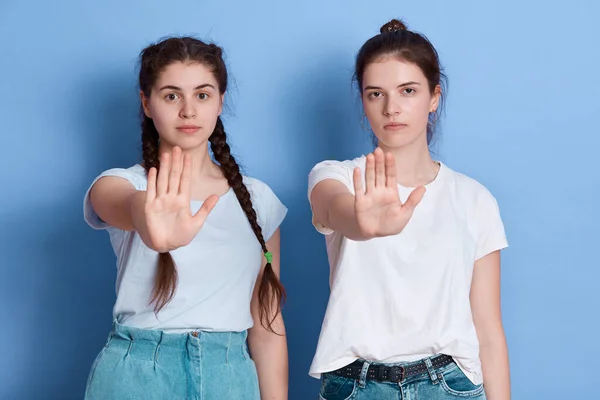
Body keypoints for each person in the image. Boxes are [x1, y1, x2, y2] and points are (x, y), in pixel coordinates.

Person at [307, 19, 510, 400]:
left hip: (450, 385)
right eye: (375, 94)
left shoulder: (474, 198)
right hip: (355, 386)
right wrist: (360, 222)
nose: (391, 108)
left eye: (408, 91)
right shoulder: (336, 176)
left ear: (434, 98)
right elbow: (333, 206)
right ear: (364, 102)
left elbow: (488, 329)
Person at [82, 36, 288, 400]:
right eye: (172, 95)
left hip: (230, 376)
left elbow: (267, 327)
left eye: (203, 95)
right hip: (136, 376)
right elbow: (121, 203)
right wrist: (149, 221)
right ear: (147, 103)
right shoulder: (122, 185)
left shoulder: (259, 201)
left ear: (221, 101)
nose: (189, 111)